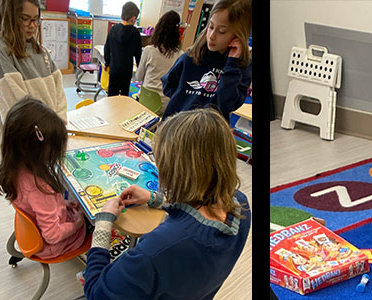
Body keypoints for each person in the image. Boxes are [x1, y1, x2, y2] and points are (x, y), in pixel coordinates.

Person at [82, 108, 251, 299]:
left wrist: (103, 223)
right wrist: (156, 198)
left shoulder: (157, 249)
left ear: (172, 169)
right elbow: (200, 207)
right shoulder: (241, 203)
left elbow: (97, 294)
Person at [0, 97, 88, 259]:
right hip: (52, 245)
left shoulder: (13, 167)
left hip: (35, 229)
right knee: (93, 223)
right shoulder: (40, 189)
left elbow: (36, 205)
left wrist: (61, 203)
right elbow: (52, 235)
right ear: (36, 152)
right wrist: (77, 224)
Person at [161, 0, 252, 120]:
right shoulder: (190, 56)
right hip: (176, 127)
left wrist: (231, 65)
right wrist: (183, 101)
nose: (212, 36)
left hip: (208, 134)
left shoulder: (241, 66)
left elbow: (227, 105)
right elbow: (168, 84)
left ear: (239, 35)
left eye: (222, 31)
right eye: (211, 27)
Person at [0, 0, 67, 123]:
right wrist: (47, 128)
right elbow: (17, 103)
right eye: (25, 19)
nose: (32, 25)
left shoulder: (41, 51)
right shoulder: (3, 50)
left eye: (36, 19)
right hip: (28, 134)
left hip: (51, 131)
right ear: (10, 18)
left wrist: (59, 124)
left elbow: (59, 94)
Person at [136, 10, 184, 114]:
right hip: (167, 105)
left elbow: (138, 77)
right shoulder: (181, 56)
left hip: (146, 101)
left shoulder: (149, 50)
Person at [104, 1, 143, 97]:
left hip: (114, 68)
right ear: (134, 18)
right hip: (126, 70)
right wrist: (139, 68)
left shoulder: (113, 29)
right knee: (125, 95)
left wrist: (107, 63)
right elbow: (138, 54)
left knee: (112, 95)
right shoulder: (135, 33)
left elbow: (107, 48)